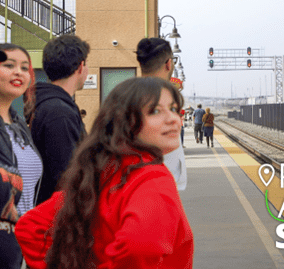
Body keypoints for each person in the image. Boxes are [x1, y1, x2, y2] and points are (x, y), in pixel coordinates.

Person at [15, 77, 194, 269]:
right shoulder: (152, 178)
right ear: (127, 122)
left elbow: (30, 227)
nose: (173, 119)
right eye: (156, 111)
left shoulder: (101, 173)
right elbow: (140, 247)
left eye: (174, 109)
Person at [29, 35, 89, 205]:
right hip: (56, 220)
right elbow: (66, 178)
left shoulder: (44, 103)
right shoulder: (59, 113)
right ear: (81, 66)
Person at [0, 44, 43, 269]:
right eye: (8, 65)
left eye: (25, 67)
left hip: (23, 243)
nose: (19, 72)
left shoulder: (19, 126)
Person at [136, 37, 187, 190]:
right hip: (159, 185)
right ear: (168, 64)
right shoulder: (165, 99)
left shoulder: (126, 96)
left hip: (135, 183)